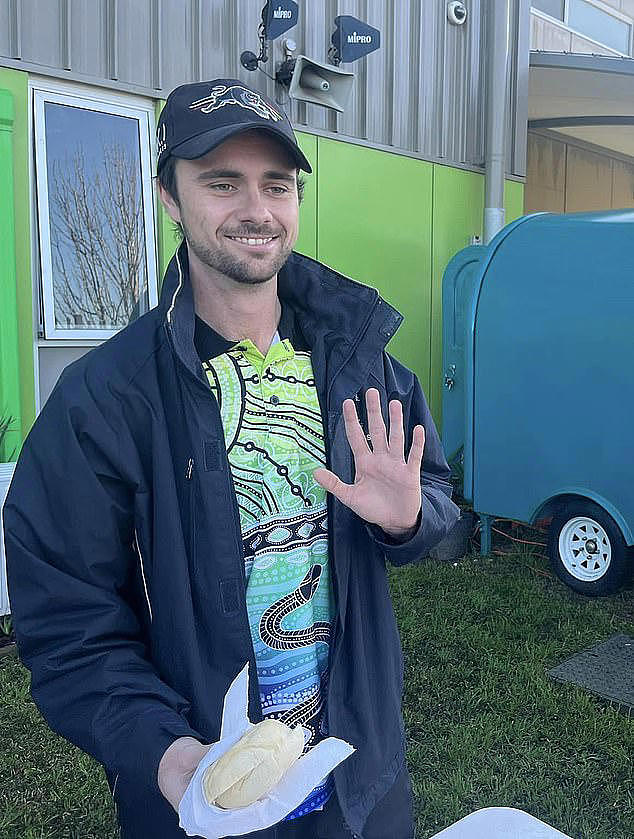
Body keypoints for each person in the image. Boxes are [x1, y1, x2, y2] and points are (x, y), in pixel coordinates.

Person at [3, 78, 460, 839]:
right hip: (204, 795)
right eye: (222, 183)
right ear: (170, 198)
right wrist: (166, 752)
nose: (256, 209)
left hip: (362, 786)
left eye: (276, 184)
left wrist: (412, 519)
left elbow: (443, 510)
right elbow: (68, 622)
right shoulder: (104, 402)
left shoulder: (359, 365)